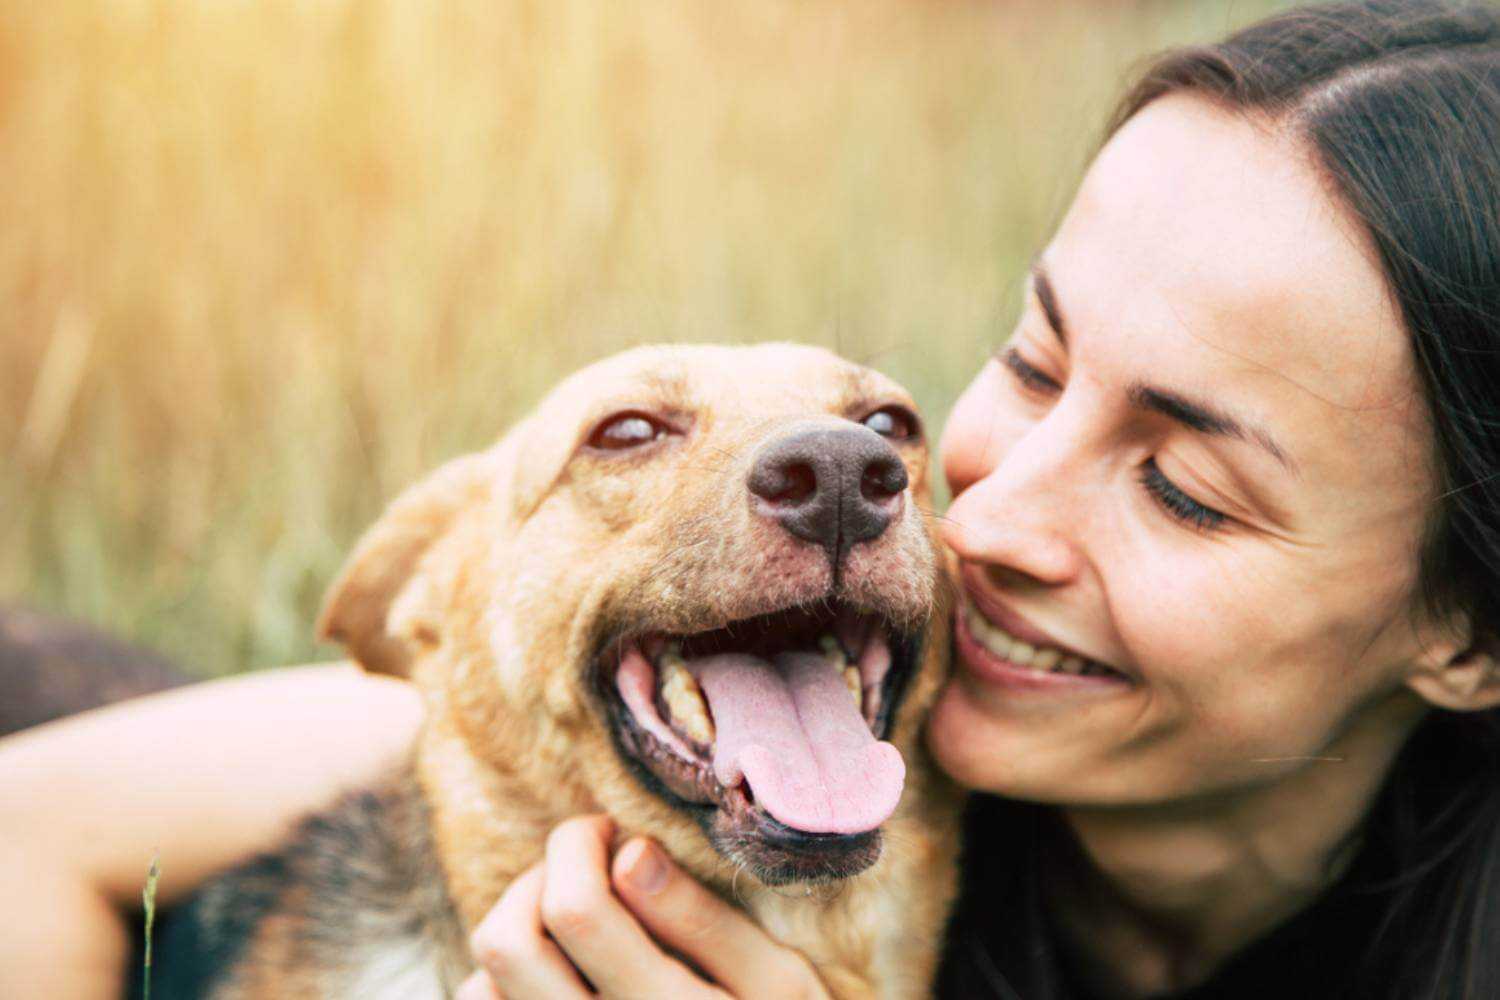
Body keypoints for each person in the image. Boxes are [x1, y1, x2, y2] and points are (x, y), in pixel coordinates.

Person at [3, 1, 1498, 996]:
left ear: (1469, 631)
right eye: (1032, 366)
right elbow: (30, 826)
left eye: (1184, 489)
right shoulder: (708, 721)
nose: (974, 522)